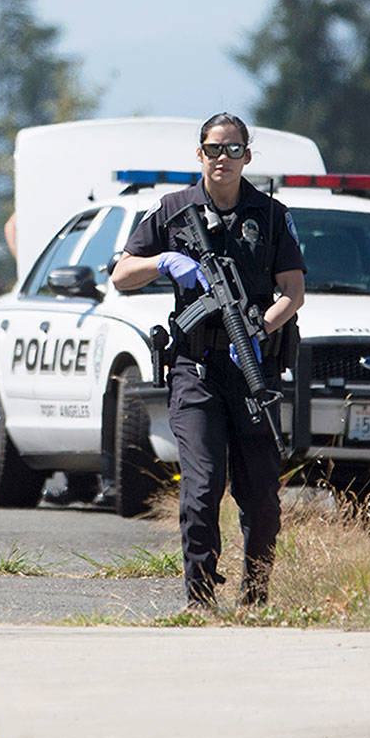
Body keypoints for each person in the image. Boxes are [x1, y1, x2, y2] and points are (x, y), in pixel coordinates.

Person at [110, 113, 305, 610]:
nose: (223, 158)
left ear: (247, 156)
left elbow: (293, 291)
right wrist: (163, 262)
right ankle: (199, 599)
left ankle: (255, 597)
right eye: (214, 149)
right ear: (199, 154)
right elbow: (121, 274)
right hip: (195, 369)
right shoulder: (172, 210)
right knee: (201, 488)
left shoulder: (271, 215)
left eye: (234, 149)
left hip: (252, 368)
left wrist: (260, 328)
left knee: (261, 496)